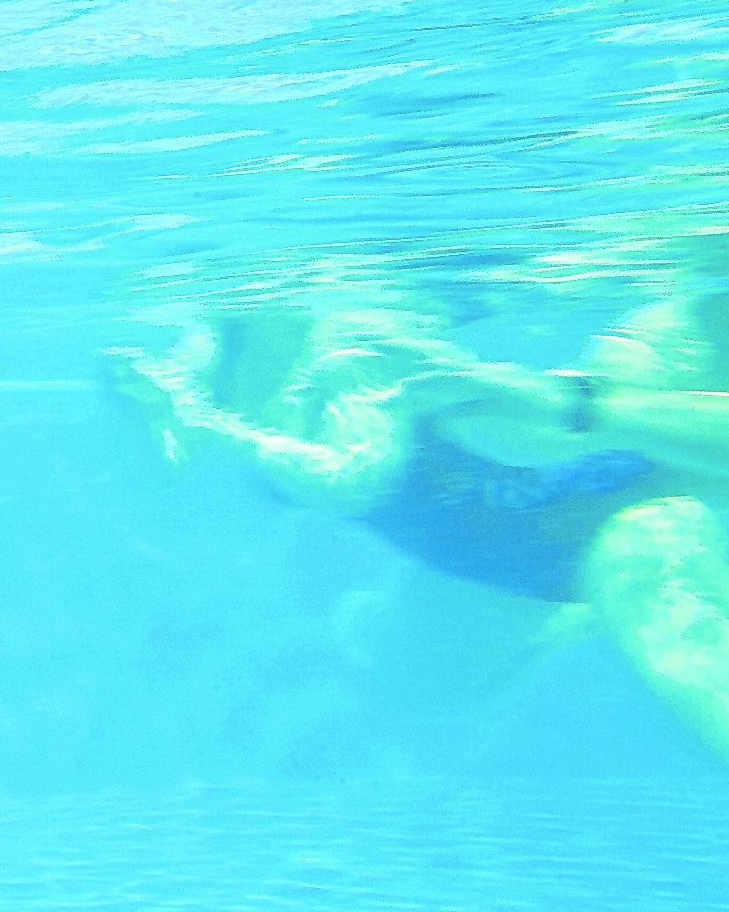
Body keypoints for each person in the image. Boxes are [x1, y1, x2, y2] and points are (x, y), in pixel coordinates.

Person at [109, 292, 729, 764]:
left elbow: (359, 474)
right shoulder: (235, 351)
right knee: (416, 690)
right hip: (503, 559)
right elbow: (162, 457)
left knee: (660, 591)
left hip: (622, 507)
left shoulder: (375, 351)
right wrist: (161, 409)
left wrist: (587, 408)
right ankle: (577, 617)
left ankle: (593, 603)